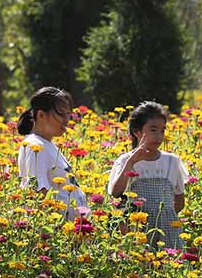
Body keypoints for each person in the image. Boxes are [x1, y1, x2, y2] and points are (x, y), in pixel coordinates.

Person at [108, 102, 190, 250]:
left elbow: (179, 200)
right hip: (136, 229)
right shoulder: (125, 160)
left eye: (162, 130)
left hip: (167, 230)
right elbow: (115, 192)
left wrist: (163, 216)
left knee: (169, 262)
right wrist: (131, 162)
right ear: (137, 132)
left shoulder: (171, 161)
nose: (159, 136)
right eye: (153, 130)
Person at [17, 87, 88, 219]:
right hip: (58, 226)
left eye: (68, 114)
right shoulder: (35, 146)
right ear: (41, 115)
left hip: (72, 226)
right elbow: (39, 191)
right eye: (61, 114)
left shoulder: (47, 144)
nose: (67, 120)